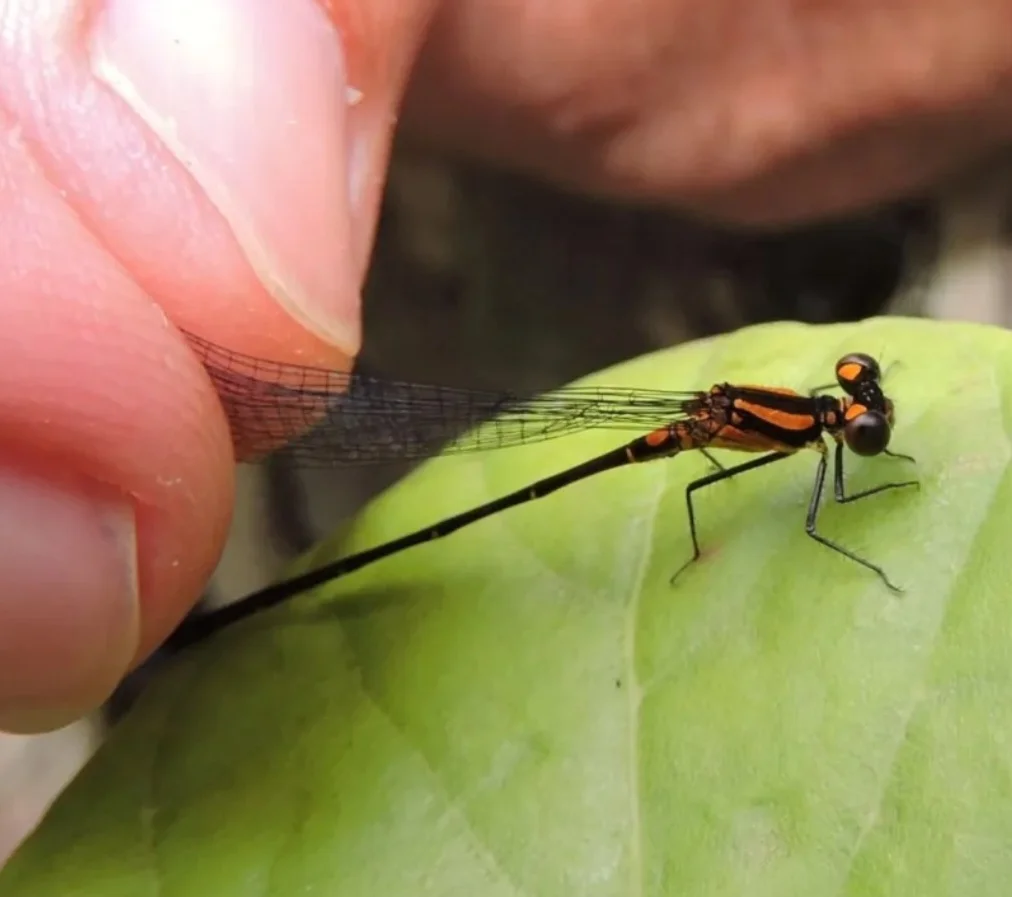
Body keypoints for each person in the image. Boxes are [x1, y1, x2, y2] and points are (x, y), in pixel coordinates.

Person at [1, 0, 1010, 734]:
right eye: (858, 408)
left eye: (859, 410)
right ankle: (196, 633)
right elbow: (794, 513)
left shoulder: (800, 416)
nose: (858, 409)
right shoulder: (796, 427)